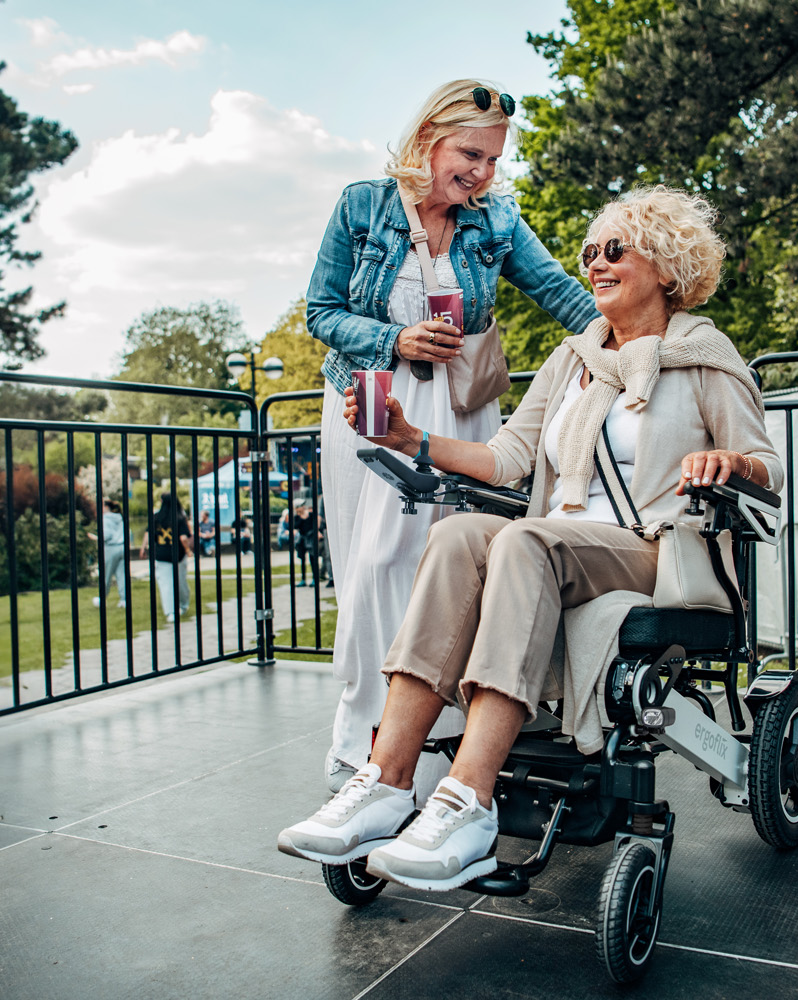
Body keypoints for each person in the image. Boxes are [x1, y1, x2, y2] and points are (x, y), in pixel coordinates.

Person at [279, 186, 785, 891]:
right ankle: (388, 781)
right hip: (562, 541)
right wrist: (408, 437)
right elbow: (508, 458)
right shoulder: (572, 360)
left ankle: (469, 800)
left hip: (654, 549)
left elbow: (766, 465)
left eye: (614, 250)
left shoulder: (704, 356)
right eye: (588, 253)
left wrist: (731, 462)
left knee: (522, 541)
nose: (594, 264)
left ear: (667, 268)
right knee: (460, 535)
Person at [307, 78, 599, 791]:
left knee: (450, 563)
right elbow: (321, 310)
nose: (483, 172)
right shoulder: (361, 205)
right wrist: (396, 338)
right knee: (374, 565)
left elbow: (561, 291)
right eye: (471, 153)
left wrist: (643, 340)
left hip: (463, 408)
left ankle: (438, 734)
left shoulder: (495, 220)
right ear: (429, 137)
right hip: (371, 395)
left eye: (494, 159)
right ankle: (364, 736)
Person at [139, 492, 192, 622]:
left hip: (161, 554)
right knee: (181, 582)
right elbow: (183, 537)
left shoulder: (156, 517)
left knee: (166, 584)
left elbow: (148, 533)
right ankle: (183, 605)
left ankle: (171, 612)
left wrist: (143, 547)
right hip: (178, 555)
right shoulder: (179, 517)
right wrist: (188, 550)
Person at [87, 499, 128, 609]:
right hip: (122, 546)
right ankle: (124, 600)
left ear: (105, 507)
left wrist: (94, 538)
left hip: (111, 548)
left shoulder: (105, 519)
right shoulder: (119, 517)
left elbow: (106, 536)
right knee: (122, 575)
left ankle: (102, 598)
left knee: (106, 575)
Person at [292, 501, 319, 586]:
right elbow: (295, 526)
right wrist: (300, 516)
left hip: (310, 538)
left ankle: (314, 578)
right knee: (302, 560)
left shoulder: (310, 515)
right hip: (302, 539)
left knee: (312, 559)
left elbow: (314, 525)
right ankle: (303, 579)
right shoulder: (297, 517)